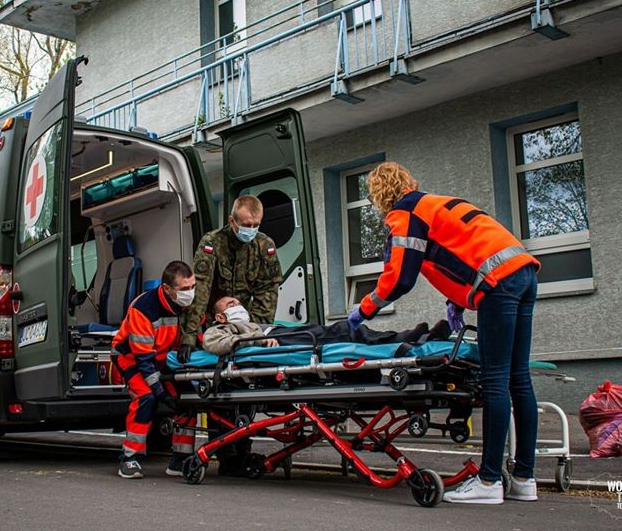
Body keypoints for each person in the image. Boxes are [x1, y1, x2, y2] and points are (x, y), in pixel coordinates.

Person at [347, 162, 540, 505]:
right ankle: (525, 478)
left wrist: (363, 310)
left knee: (495, 380)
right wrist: (457, 301)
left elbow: (399, 278)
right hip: (523, 271)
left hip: (497, 284)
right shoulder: (435, 203)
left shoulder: (405, 214)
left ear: (379, 195)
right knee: (518, 379)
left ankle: (489, 481)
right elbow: (461, 252)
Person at [111, 260, 198, 479]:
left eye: (193, 286)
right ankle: (130, 458)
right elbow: (143, 359)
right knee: (146, 398)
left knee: (186, 399)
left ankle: (180, 459)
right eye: (185, 288)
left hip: (163, 357)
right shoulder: (143, 308)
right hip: (130, 357)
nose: (190, 293)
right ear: (167, 289)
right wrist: (160, 392)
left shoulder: (190, 306)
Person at [179, 195, 282, 362]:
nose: (251, 230)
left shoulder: (264, 246)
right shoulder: (212, 243)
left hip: (243, 319)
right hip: (214, 322)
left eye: (256, 225)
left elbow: (267, 294)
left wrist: (255, 332)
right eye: (247, 225)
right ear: (232, 221)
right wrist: (189, 337)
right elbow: (200, 291)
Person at [201, 296, 449, 356]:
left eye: (238, 302)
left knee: (341, 330)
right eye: (231, 304)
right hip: (278, 342)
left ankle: (417, 338)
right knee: (343, 331)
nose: (238, 306)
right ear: (220, 317)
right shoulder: (220, 329)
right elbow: (212, 343)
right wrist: (257, 340)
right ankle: (408, 340)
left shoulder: (253, 322)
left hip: (281, 333)